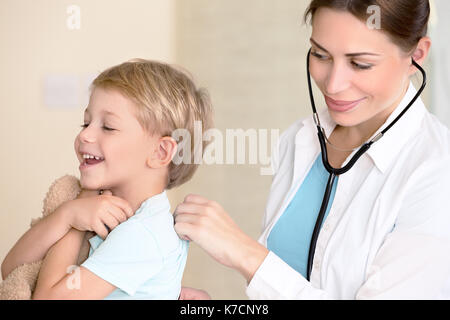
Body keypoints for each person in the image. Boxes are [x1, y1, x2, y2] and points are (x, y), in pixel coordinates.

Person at [174, 0, 450, 299]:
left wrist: (246, 255)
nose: (333, 84)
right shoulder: (300, 139)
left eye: (360, 63)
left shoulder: (436, 172)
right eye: (320, 55)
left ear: (417, 56)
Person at [1, 59, 213, 299]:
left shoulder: (143, 234)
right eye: (86, 122)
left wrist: (74, 222)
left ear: (160, 152)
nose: (85, 134)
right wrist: (66, 215)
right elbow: (12, 269)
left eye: (108, 127)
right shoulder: (96, 208)